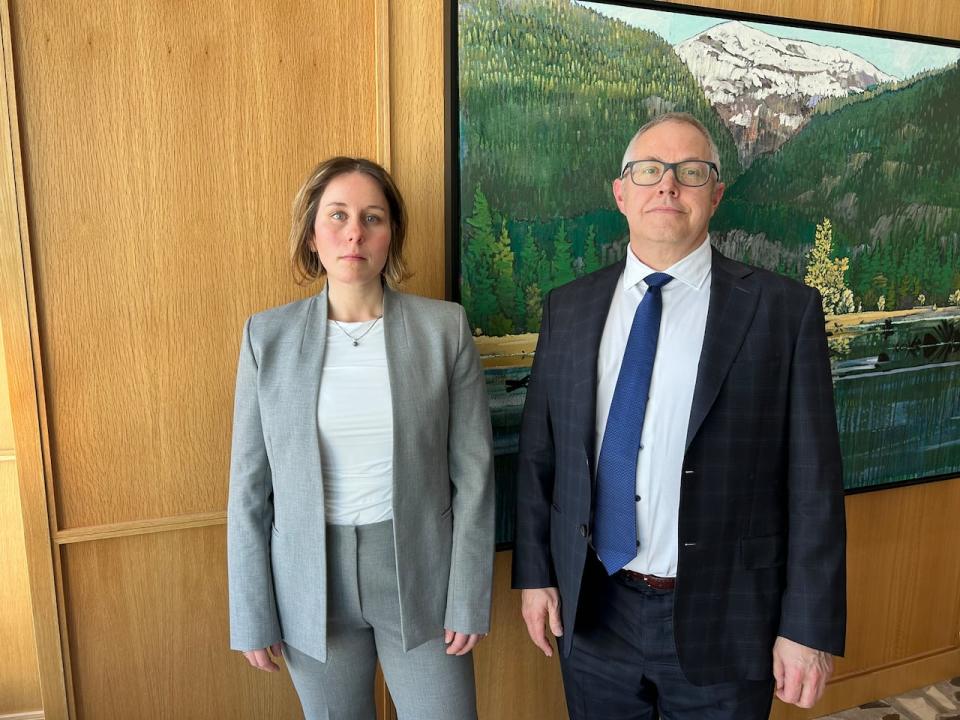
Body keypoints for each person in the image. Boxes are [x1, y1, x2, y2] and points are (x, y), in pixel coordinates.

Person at [512, 112, 846, 719]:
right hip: (594, 611)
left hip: (727, 618)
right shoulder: (569, 308)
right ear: (621, 192)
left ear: (715, 194)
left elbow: (815, 486)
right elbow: (541, 457)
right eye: (648, 171)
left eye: (690, 172)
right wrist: (535, 578)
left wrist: (808, 628)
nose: (667, 186)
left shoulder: (783, 312)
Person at [227, 156, 494, 720]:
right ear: (312, 233)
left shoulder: (443, 329)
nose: (355, 232)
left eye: (372, 217)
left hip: (421, 578)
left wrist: (468, 596)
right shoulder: (265, 338)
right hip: (308, 587)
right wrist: (252, 614)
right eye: (338, 216)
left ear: (390, 234)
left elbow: (474, 476)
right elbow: (249, 488)